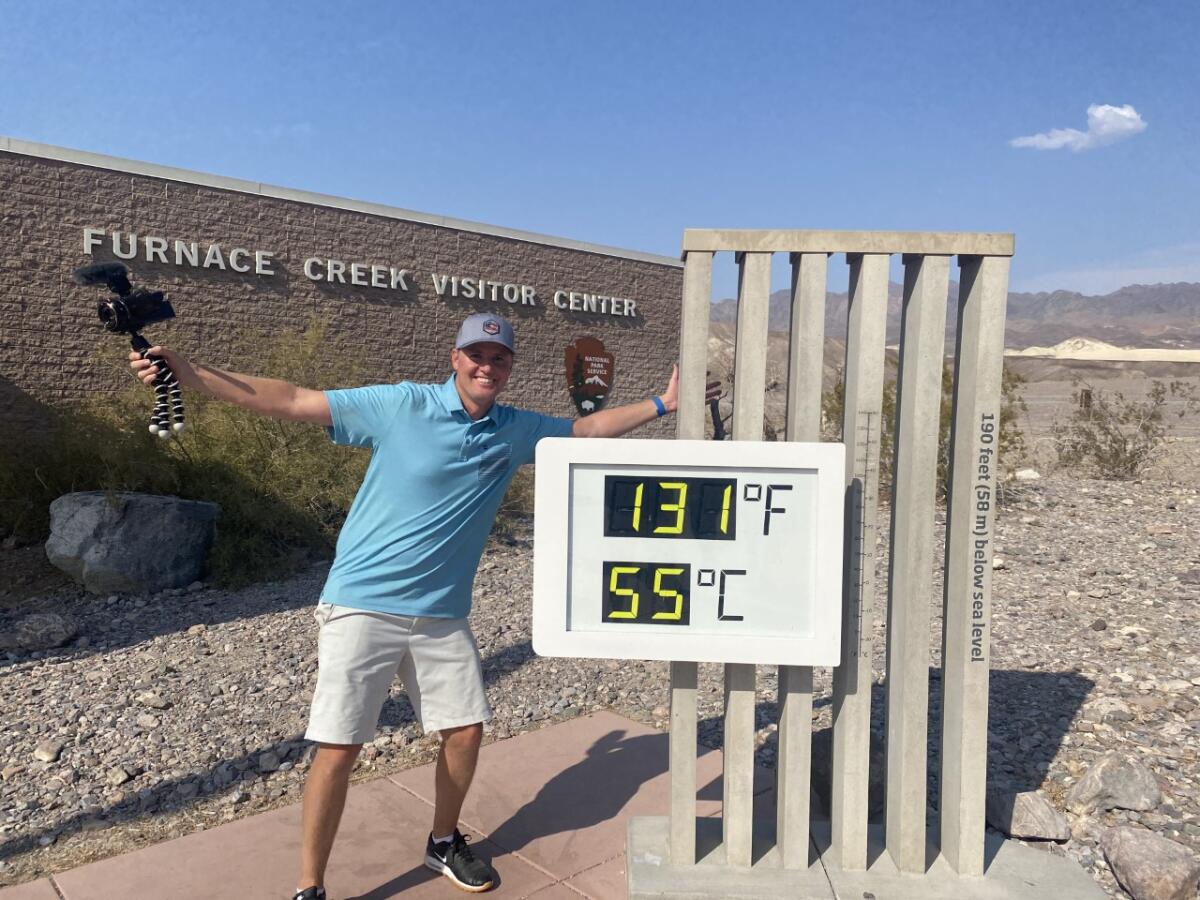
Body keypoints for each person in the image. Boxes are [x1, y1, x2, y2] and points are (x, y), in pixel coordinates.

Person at [129, 312, 713, 898]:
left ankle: (442, 843)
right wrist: (192, 373)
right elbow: (295, 399)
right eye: (477, 355)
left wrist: (662, 403)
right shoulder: (400, 405)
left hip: (441, 614)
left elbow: (584, 432)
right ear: (455, 358)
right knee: (339, 748)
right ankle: (310, 884)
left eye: (500, 358)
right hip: (362, 604)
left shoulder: (514, 429)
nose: (487, 366)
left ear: (509, 368)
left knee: (464, 732)